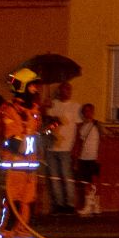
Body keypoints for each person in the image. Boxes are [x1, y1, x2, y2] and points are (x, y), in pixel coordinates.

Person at [0, 67, 44, 238]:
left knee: (27, 206)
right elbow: (11, 139)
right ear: (23, 86)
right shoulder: (9, 110)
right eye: (33, 86)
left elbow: (33, 135)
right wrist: (23, 139)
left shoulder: (34, 111)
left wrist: (45, 132)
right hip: (14, 168)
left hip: (29, 169)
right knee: (13, 206)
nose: (36, 90)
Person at [43, 80, 78, 211]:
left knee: (66, 176)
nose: (66, 92)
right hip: (52, 146)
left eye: (68, 89)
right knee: (54, 177)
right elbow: (47, 122)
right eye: (64, 89)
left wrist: (75, 149)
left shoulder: (75, 107)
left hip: (66, 148)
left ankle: (70, 204)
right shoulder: (54, 105)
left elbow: (77, 128)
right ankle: (58, 204)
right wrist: (46, 108)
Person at [72, 101, 103, 218]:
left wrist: (99, 156)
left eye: (89, 111)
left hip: (93, 157)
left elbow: (103, 140)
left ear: (93, 112)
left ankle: (95, 205)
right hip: (83, 157)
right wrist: (77, 157)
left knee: (94, 181)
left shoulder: (97, 125)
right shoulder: (82, 127)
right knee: (85, 182)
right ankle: (88, 205)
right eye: (85, 112)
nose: (87, 113)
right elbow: (80, 143)